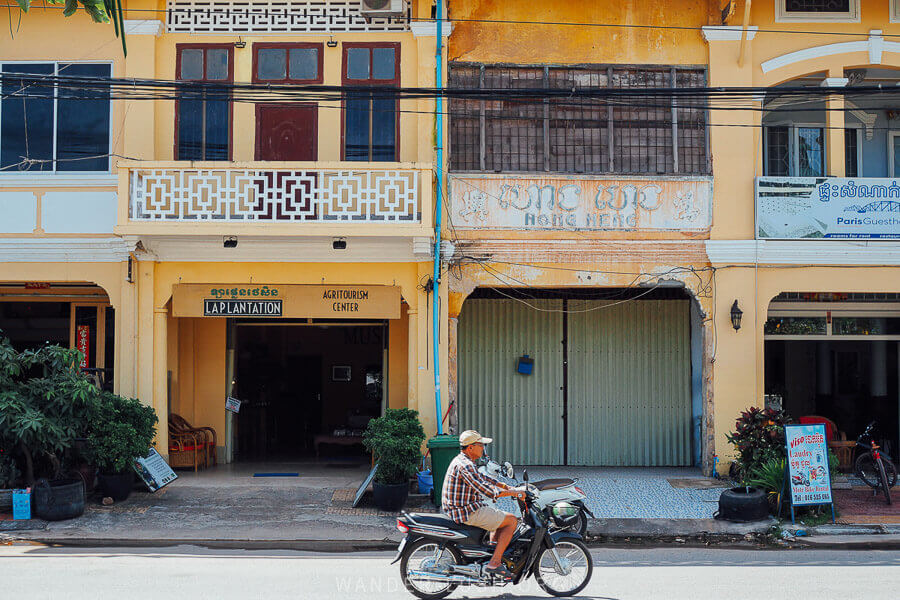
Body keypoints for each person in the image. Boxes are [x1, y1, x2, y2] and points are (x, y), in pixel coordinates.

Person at [441, 430, 526, 580]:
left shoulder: (465, 461)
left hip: (466, 506)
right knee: (512, 520)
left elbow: (482, 478)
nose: (483, 449)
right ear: (470, 447)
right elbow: (486, 490)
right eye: (481, 445)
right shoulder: (466, 465)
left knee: (500, 518)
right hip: (465, 511)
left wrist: (505, 486)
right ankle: (494, 563)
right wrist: (515, 493)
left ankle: (491, 552)